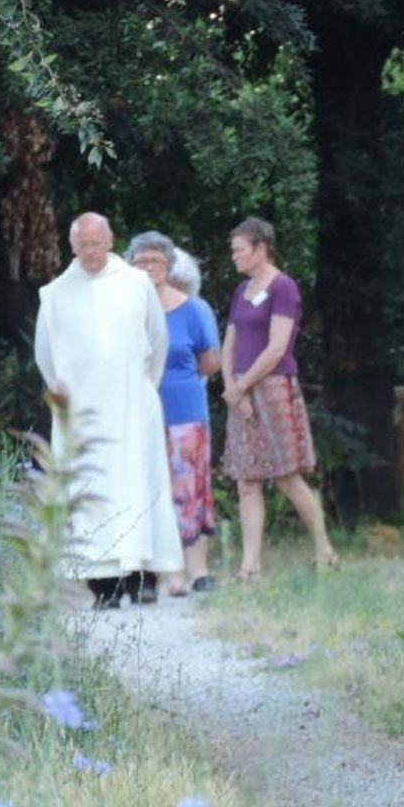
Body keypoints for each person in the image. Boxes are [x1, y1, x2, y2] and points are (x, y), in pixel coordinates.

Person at [33, 213, 183, 609]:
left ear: (111, 240)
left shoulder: (136, 284)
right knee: (92, 492)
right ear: (73, 247)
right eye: (84, 245)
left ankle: (144, 577)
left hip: (133, 405)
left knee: (139, 486)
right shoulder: (55, 294)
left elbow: (157, 340)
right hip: (82, 412)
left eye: (98, 243)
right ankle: (103, 586)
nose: (92, 252)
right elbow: (45, 356)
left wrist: (140, 387)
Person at [220, 217, 337, 579]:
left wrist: (243, 386)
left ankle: (324, 549)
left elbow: (276, 348)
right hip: (240, 389)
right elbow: (230, 343)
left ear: (261, 248)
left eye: (239, 250)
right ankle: (250, 564)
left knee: (287, 476)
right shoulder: (242, 291)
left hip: (273, 387)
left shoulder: (283, 287)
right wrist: (231, 387)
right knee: (247, 480)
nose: (234, 257)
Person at [127, 232, 222, 597]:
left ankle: (195, 570)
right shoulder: (125, 310)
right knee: (148, 491)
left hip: (185, 412)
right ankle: (160, 574)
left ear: (168, 266)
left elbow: (209, 362)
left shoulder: (194, 309)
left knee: (189, 489)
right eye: (141, 261)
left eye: (156, 261)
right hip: (139, 415)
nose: (149, 268)